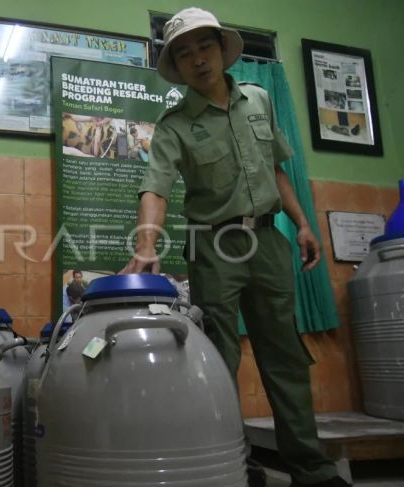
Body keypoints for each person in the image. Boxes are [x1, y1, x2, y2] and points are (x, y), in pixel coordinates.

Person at [121, 7, 349, 487]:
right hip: (214, 247)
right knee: (217, 358)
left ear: (222, 51)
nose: (197, 60)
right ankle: (232, 463)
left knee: (284, 355)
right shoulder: (175, 125)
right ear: (177, 68)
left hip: (269, 241)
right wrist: (146, 244)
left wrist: (302, 224)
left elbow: (278, 169)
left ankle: (310, 467)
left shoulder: (260, 100)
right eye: (184, 54)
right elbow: (155, 187)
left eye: (205, 47)